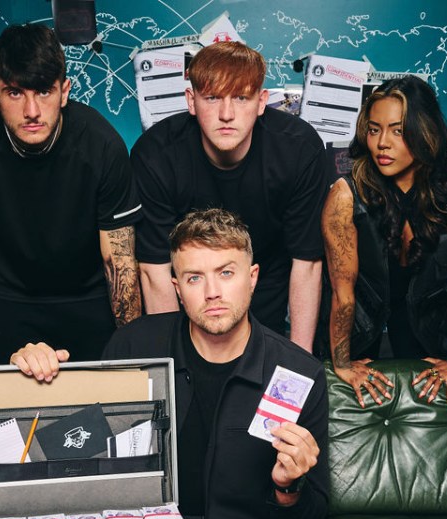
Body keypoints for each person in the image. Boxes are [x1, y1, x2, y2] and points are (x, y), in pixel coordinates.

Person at [11, 209, 345, 519]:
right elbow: (75, 446)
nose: (212, 292)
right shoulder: (134, 346)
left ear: (253, 276)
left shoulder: (298, 372)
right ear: (176, 289)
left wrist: (288, 487)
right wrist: (35, 378)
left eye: (226, 272)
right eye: (193, 278)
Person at [0, 23, 142, 366]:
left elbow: (117, 262)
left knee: (108, 411)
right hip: (10, 301)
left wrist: (134, 361)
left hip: (88, 300)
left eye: (44, 91)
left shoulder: (102, 146)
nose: (31, 110)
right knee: (16, 417)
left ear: (64, 92)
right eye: (15, 93)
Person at [131, 41, 328, 353]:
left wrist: (298, 365)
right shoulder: (156, 155)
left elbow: (307, 263)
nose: (226, 114)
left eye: (241, 97)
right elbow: (155, 271)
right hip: (190, 295)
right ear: (191, 101)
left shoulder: (299, 150)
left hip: (266, 289)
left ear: (262, 101)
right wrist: (172, 366)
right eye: (212, 98)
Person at [322, 75, 447, 407]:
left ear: (425, 132)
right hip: (363, 346)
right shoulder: (345, 195)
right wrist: (341, 364)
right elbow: (343, 292)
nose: (382, 143)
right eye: (374, 129)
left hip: (427, 349)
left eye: (398, 131)